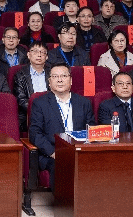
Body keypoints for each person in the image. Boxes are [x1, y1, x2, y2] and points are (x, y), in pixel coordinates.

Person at [28, 64, 92, 193]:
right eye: (55, 76)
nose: (60, 80)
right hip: (52, 153)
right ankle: (64, 203)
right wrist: (53, 153)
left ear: (71, 80)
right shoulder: (40, 103)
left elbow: (91, 129)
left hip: (79, 151)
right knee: (61, 165)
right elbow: (35, 133)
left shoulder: (84, 102)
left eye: (64, 76)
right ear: (49, 82)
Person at [13, 44, 53, 113]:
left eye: (42, 52)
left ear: (46, 57)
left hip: (51, 112)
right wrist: (37, 111)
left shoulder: (53, 73)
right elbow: (21, 100)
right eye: (35, 51)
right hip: (30, 113)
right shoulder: (20, 75)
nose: (39, 55)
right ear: (28, 55)